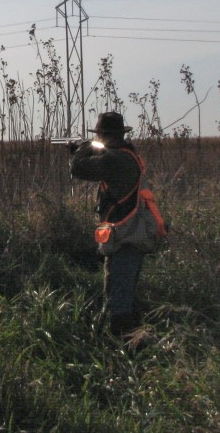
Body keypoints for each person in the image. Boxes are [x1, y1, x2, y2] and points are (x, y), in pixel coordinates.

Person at [69, 112, 147, 337]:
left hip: (125, 238)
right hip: (127, 235)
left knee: (119, 303)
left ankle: (126, 348)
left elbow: (78, 168)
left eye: (99, 135)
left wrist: (83, 148)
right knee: (123, 296)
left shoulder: (115, 159)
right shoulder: (126, 155)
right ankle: (132, 342)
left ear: (104, 136)